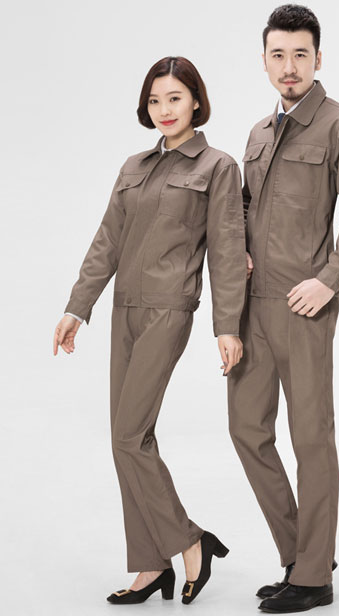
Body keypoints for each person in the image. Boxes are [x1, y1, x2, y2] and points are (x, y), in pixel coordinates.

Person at [53, 56, 249, 605]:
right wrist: (77, 308)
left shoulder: (217, 166)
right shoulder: (134, 166)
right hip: (124, 310)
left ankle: (189, 540)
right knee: (129, 440)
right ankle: (149, 565)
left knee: (127, 435)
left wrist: (227, 326)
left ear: (196, 102)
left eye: (175, 98)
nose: (164, 109)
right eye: (155, 100)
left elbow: (227, 250)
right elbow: (107, 241)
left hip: (169, 310)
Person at [227, 4, 339, 613]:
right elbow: (242, 207)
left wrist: (328, 280)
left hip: (303, 306)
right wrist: (237, 250)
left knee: (311, 437)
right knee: (246, 430)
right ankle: (305, 552)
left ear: (318, 58)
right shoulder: (257, 134)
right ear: (263, 61)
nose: (289, 66)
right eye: (278, 55)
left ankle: (314, 578)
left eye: (300, 54)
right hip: (251, 307)